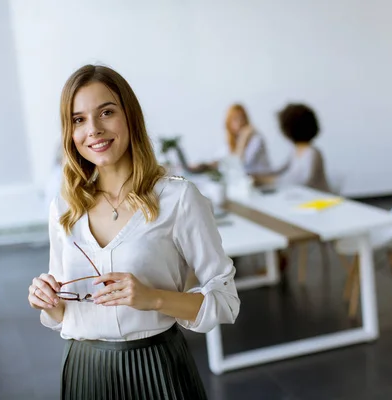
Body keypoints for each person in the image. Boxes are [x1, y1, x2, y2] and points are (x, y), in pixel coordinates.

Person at [27, 64, 239, 399]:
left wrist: (153, 298)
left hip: (158, 367)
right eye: (79, 120)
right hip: (86, 370)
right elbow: (61, 313)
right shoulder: (64, 207)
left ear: (130, 116)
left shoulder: (178, 198)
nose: (93, 130)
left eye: (106, 112)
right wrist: (48, 301)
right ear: (70, 132)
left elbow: (226, 302)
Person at [253, 103, 331, 192]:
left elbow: (303, 180)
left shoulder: (313, 153)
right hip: (303, 197)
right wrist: (258, 175)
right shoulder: (294, 151)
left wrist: (270, 180)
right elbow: (279, 170)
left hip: (320, 199)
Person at [195, 104, 271, 175]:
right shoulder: (230, 143)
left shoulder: (256, 139)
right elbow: (221, 159)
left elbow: (241, 164)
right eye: (235, 119)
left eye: (242, 118)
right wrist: (203, 166)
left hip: (262, 183)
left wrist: (243, 138)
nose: (240, 122)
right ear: (228, 123)